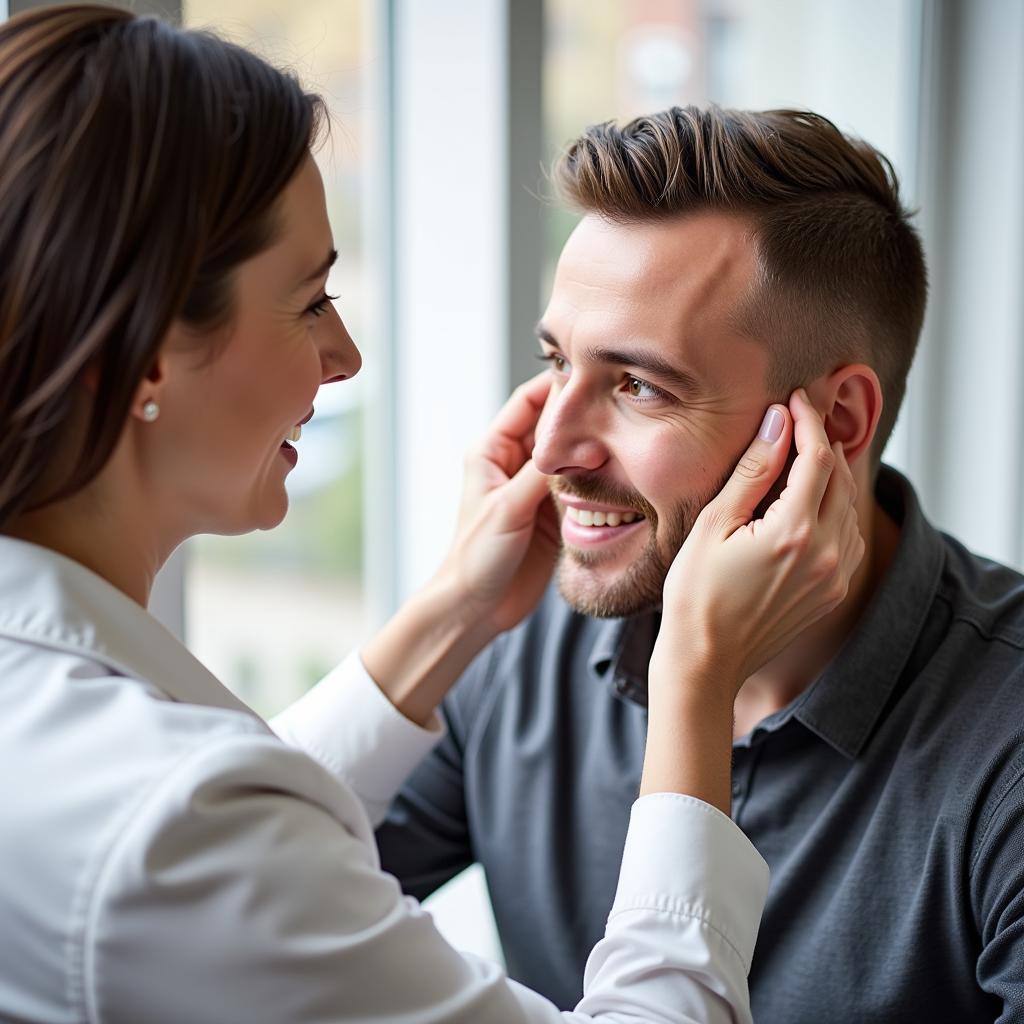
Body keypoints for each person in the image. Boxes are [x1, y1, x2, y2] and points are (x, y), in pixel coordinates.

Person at [0, 9, 864, 1023]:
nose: (346, 355)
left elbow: (242, 863)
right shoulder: (175, 824)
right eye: (311, 300)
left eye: (635, 383)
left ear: (830, 424)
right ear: (150, 349)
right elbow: (212, 858)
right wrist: (695, 682)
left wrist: (455, 607)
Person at [376, 106, 1024, 1022]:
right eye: (556, 361)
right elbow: (220, 909)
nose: (553, 449)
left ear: (835, 423)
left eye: (638, 385)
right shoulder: (525, 631)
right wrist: (452, 610)